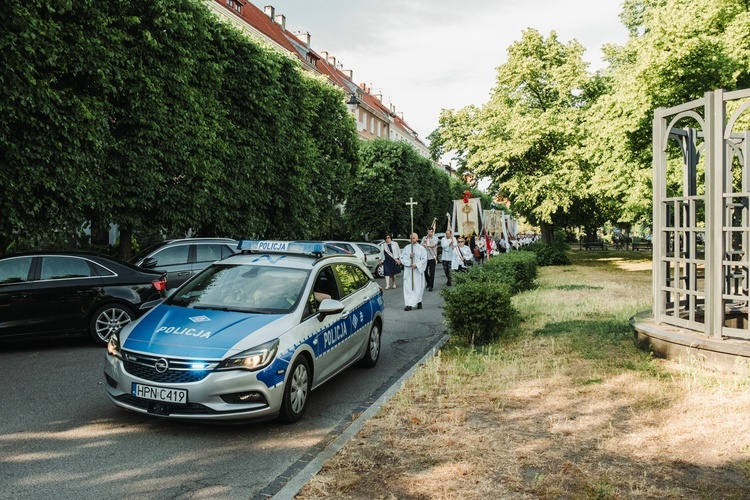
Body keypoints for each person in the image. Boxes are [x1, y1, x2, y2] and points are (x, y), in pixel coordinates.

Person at [401, 232, 427, 311]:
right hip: (409, 271)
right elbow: (402, 258)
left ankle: (418, 301)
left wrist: (417, 265)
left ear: (417, 238)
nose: (412, 239)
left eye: (414, 238)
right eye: (411, 238)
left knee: (417, 287)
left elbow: (424, 259)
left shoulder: (421, 248)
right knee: (408, 288)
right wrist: (409, 257)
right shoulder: (407, 248)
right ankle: (409, 304)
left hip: (417, 271)